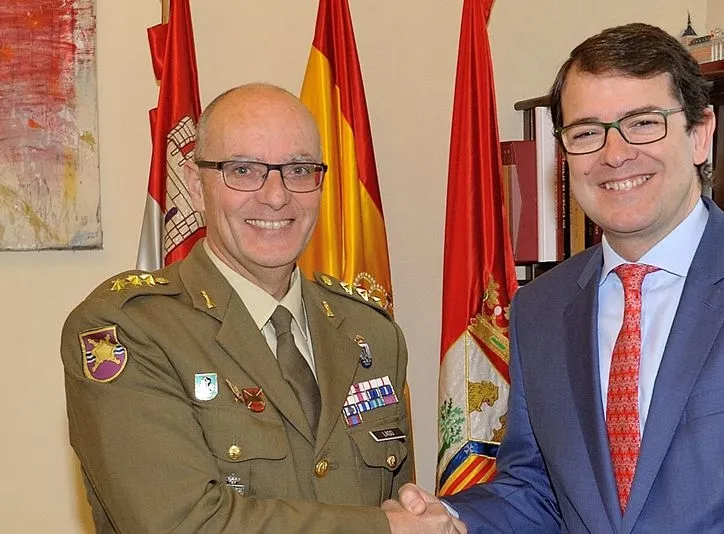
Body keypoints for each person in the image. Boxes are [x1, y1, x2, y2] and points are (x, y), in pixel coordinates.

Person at [397, 23, 724, 533]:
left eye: (643, 123)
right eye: (586, 133)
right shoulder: (540, 309)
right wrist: (454, 520)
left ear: (700, 135)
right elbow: (537, 493)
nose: (615, 154)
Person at [61, 83, 462, 533]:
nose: (276, 196)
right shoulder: (129, 330)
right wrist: (383, 530)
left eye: (299, 170)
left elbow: (401, 505)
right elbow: (181, 524)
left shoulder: (370, 333)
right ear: (195, 187)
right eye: (244, 170)